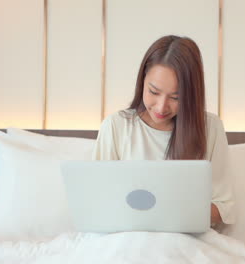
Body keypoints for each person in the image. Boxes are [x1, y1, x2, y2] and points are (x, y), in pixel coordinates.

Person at [92, 35, 234, 227]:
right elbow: (97, 201)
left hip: (186, 241)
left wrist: (171, 209)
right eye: (154, 92)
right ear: (142, 81)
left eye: (176, 97)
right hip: (129, 238)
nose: (161, 107)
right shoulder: (116, 126)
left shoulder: (211, 128)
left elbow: (223, 209)